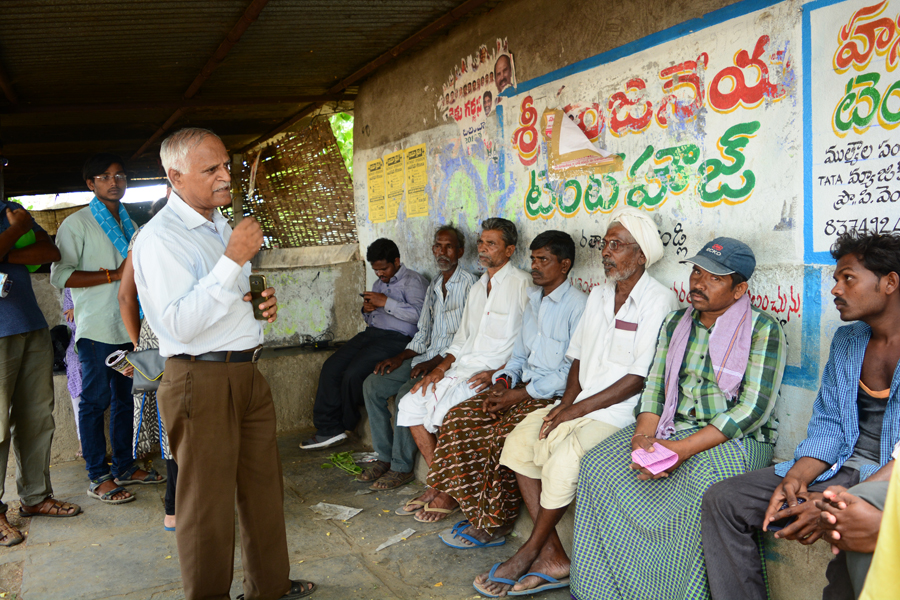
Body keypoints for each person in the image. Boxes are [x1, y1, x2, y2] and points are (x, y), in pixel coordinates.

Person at [133, 127, 316, 599]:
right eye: (210, 169)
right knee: (205, 507)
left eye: (226, 166)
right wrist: (233, 260)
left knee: (263, 490)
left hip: (246, 372)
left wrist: (259, 304)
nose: (224, 177)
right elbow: (180, 323)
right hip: (200, 378)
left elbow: (225, 296)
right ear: (175, 177)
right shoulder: (159, 238)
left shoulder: (218, 225)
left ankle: (269, 588)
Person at [473, 208, 677, 596]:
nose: (606, 252)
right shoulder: (599, 295)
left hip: (621, 412)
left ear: (641, 255)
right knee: (520, 440)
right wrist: (562, 406)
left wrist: (574, 411)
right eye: (605, 244)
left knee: (564, 459)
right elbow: (578, 358)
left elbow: (638, 378)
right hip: (581, 402)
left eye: (616, 245)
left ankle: (529, 550)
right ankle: (553, 555)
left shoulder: (659, 300)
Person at [570, 237, 786, 600]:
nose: (699, 283)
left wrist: (681, 450)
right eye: (697, 273)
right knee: (598, 466)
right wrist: (642, 438)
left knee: (702, 488)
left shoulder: (763, 328)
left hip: (735, 439)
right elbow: (654, 386)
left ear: (739, 289)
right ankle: (605, 591)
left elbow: (751, 410)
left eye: (714, 278)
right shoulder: (675, 323)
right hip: (672, 426)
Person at [702, 230, 900, 600]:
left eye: (848, 278)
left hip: (889, 479)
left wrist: (833, 504)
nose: (835, 290)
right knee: (724, 499)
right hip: (840, 467)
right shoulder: (848, 341)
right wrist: (796, 478)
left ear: (890, 283)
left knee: (851, 526)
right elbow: (829, 426)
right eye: (836, 279)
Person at [432, 230, 587, 551]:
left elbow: (570, 372)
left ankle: (496, 523)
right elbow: (518, 357)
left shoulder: (578, 306)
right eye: (533, 259)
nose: (535, 266)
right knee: (459, 417)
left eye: (543, 260)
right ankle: (474, 510)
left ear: (564, 265)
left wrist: (520, 395)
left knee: (499, 435)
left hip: (551, 396)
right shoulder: (533, 300)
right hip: (520, 388)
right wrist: (502, 386)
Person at [396, 218, 530, 523]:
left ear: (509, 250)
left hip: (490, 374)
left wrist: (499, 371)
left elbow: (528, 342)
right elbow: (461, 339)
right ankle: (439, 484)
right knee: (411, 403)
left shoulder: (522, 284)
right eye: (481, 242)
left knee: (447, 413)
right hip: (462, 366)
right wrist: (440, 369)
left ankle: (447, 494)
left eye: (491, 244)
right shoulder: (478, 287)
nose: (482, 248)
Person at [51, 153, 164, 506]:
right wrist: (114, 275)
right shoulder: (77, 224)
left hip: (131, 326)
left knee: (126, 399)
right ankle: (98, 476)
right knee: (95, 401)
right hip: (98, 327)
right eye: (104, 176)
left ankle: (125, 466)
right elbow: (60, 275)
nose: (114, 182)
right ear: (91, 183)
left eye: (120, 176)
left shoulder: (132, 223)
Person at [359, 226, 476, 490]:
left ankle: (401, 467)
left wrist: (434, 363)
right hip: (424, 356)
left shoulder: (471, 285)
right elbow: (423, 332)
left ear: (460, 251)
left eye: (449, 247)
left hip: (449, 362)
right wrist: (400, 357)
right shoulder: (434, 284)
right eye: (438, 246)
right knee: (372, 384)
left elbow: (469, 337)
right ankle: (384, 457)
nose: (442, 252)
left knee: (406, 395)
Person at [0, 201, 82, 546]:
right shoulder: (16, 220)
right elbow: (29, 243)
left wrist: (5, 251)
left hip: (30, 325)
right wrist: (17, 232)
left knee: (36, 418)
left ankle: (35, 497)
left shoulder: (9, 209)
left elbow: (50, 252)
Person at [301, 238, 428, 450]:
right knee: (331, 366)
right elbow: (372, 319)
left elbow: (420, 316)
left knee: (354, 373)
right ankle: (327, 428)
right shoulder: (379, 284)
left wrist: (385, 302)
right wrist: (367, 311)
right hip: (371, 334)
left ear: (397, 261)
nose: (380, 274)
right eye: (376, 270)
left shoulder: (413, 282)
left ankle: (344, 426)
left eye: (384, 268)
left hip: (398, 339)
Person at [118, 191, 177, 531]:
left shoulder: (142, 236)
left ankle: (175, 509)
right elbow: (126, 296)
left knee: (175, 426)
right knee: (181, 425)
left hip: (159, 338)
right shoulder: (150, 235)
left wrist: (140, 344)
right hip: (174, 340)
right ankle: (176, 507)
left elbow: (126, 297)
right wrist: (141, 346)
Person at [62, 288, 83, 448]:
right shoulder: (71, 285)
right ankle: (82, 439)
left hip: (110, 336)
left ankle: (134, 441)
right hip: (80, 340)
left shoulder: (108, 277)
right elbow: (72, 321)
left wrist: (81, 309)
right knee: (75, 366)